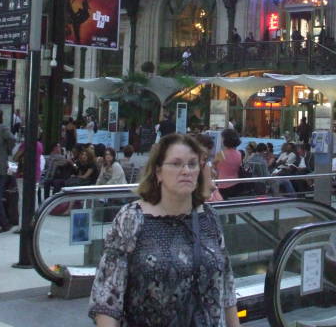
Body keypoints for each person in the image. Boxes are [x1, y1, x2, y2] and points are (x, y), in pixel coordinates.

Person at [88, 133, 239, 326]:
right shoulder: (132, 218)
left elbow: (226, 285)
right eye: (176, 164)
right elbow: (108, 294)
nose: (186, 171)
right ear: (158, 172)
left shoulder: (209, 218)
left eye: (192, 164)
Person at [214, 128, 243, 200]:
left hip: (223, 184)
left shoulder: (221, 154)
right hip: (236, 183)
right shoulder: (239, 153)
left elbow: (213, 168)